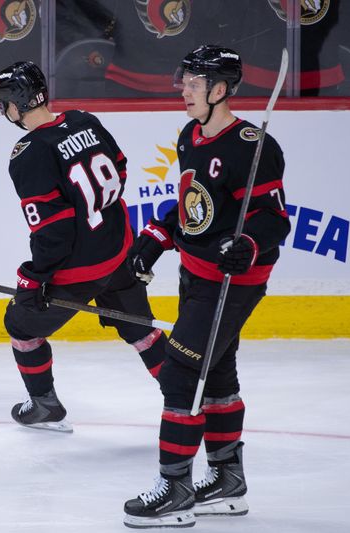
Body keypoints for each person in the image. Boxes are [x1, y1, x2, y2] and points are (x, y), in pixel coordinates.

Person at [122, 45, 291, 528]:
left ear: (220, 91)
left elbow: (275, 219)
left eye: (194, 83)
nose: (184, 89)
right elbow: (193, 205)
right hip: (194, 274)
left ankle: (175, 489)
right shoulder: (189, 136)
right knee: (214, 376)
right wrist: (155, 239)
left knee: (181, 376)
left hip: (232, 282)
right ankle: (227, 481)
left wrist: (249, 245)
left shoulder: (254, 146)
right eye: (185, 80)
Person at [0, 61, 168, 432]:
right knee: (141, 329)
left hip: (79, 268)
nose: (3, 110)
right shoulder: (84, 120)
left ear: (17, 103)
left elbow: (53, 231)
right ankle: (186, 399)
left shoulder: (29, 151)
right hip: (119, 251)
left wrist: (33, 277)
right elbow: (119, 168)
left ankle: (44, 403)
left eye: (4, 102)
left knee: (20, 325)